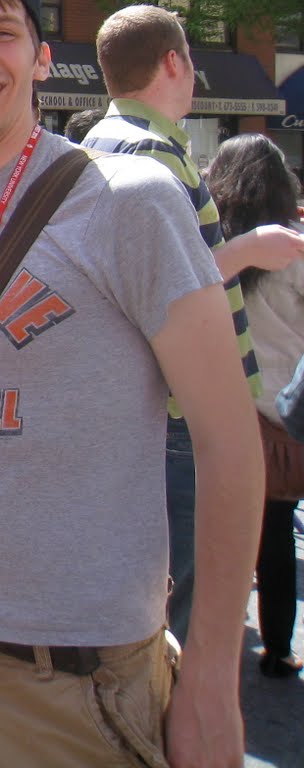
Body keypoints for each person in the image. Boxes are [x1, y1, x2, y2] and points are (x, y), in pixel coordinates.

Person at [0, 0, 262, 767]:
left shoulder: (130, 202)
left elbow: (231, 448)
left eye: (2, 32)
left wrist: (211, 685)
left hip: (76, 683)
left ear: (42, 59)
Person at [82, 4, 303, 645]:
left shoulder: (101, 142)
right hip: (177, 414)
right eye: (191, 64)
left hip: (148, 407)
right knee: (179, 615)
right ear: (173, 63)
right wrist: (251, 248)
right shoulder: (154, 155)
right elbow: (171, 286)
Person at [205, 134, 304, 679]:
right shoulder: (294, 250)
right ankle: (280, 649)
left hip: (229, 411)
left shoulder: (213, 249)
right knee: (277, 530)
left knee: (238, 534)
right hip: (288, 414)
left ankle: (239, 644)